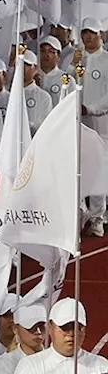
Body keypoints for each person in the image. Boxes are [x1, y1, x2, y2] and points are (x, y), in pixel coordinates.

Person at [79, 18, 108, 236]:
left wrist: (91, 108)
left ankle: (98, 216)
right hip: (77, 121)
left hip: (100, 122)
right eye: (84, 33)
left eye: (92, 33)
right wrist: (71, 66)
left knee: (99, 167)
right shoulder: (74, 59)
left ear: (101, 35)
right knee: (78, 166)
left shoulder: (106, 60)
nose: (88, 37)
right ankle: (81, 212)